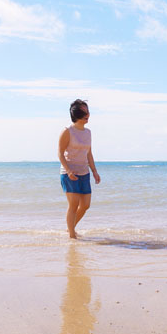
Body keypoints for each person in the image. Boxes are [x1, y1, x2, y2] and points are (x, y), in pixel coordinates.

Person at [57, 99, 100, 239]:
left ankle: (71, 228)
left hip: (84, 172)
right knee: (74, 204)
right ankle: (72, 236)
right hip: (69, 173)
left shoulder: (88, 132)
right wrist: (69, 171)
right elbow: (60, 152)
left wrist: (94, 171)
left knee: (86, 205)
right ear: (76, 114)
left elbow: (89, 153)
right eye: (84, 112)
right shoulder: (67, 131)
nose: (87, 115)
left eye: (88, 111)